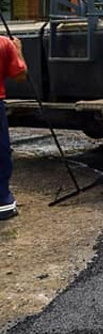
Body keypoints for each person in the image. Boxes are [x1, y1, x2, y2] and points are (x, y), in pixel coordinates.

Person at [1, 35, 28, 221]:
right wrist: (18, 50)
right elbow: (20, 75)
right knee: (0, 154)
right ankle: (3, 202)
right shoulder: (4, 43)